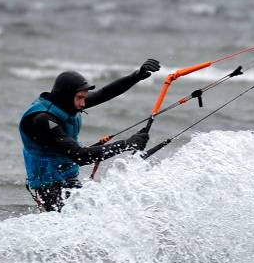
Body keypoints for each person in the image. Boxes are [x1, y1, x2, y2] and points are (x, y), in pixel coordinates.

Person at [19, 59, 160, 212]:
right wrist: (126, 144)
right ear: (65, 96)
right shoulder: (43, 119)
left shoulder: (68, 104)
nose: (83, 103)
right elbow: (81, 156)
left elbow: (105, 93)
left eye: (84, 98)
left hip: (68, 180)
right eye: (80, 98)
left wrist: (136, 76)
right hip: (49, 188)